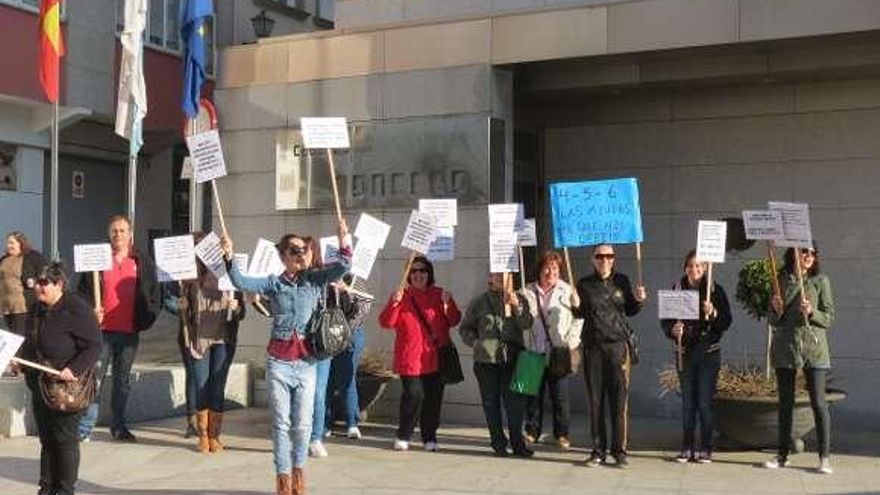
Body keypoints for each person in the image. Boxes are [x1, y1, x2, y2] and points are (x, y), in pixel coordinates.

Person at [221, 221, 350, 495]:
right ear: (283, 257)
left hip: (307, 362)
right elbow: (241, 281)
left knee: (302, 425)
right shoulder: (274, 283)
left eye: (303, 249)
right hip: (278, 361)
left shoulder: (314, 279)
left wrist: (344, 241)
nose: (301, 253)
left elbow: (342, 268)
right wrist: (229, 256)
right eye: (293, 250)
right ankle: (283, 480)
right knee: (281, 423)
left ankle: (299, 474)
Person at [77, 214, 161, 443]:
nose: (118, 235)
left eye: (122, 230)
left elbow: (154, 293)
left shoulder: (141, 260)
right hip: (101, 332)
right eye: (114, 231)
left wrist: (147, 319)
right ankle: (85, 428)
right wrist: (90, 311)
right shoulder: (97, 259)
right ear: (109, 234)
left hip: (129, 332)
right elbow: (82, 293)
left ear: (130, 234)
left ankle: (119, 426)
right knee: (95, 380)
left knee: (122, 383)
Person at [22, 262, 101, 495]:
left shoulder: (76, 308)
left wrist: (73, 369)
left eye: (44, 282)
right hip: (41, 385)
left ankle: (65, 490)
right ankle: (46, 488)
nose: (38, 287)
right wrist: (20, 359)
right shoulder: (36, 309)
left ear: (59, 284)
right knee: (47, 440)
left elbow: (94, 346)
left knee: (65, 441)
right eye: (37, 282)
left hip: (67, 388)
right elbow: (30, 341)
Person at [165, 232, 245, 453]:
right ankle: (201, 434)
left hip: (223, 340)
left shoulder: (231, 276)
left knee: (217, 387)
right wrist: (178, 305)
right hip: (198, 339)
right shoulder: (190, 279)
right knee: (201, 386)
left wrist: (235, 307)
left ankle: (215, 435)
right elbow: (172, 304)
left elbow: (241, 313)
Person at [378, 255, 461, 452]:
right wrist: (394, 303)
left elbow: (454, 320)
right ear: (408, 275)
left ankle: (429, 437)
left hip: (435, 358)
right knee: (413, 396)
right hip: (410, 358)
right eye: (413, 271)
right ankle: (404, 434)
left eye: (422, 270)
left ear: (429, 273)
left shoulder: (440, 294)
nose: (418, 274)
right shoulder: (401, 295)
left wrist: (447, 305)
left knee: (433, 399)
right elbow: (386, 322)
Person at [764, 245, 835, 474]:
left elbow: (830, 317)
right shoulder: (781, 279)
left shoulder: (820, 281)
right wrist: (776, 309)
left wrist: (813, 312)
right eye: (805, 251)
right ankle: (782, 455)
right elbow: (773, 319)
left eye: (813, 253)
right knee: (785, 404)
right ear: (794, 253)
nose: (809, 257)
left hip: (814, 347)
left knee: (819, 403)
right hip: (786, 347)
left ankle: (824, 458)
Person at [575, 244, 646, 468]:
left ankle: (619, 451)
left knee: (619, 402)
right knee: (595, 401)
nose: (605, 260)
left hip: (617, 348)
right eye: (600, 256)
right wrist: (574, 305)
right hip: (593, 348)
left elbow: (632, 310)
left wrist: (639, 299)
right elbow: (580, 313)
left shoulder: (622, 281)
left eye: (609, 256)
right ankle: (597, 451)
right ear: (593, 259)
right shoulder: (584, 284)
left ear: (614, 259)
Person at [660, 250, 732, 464]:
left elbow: (726, 322)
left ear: (705, 269)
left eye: (699, 266)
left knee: (704, 402)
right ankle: (687, 446)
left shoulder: (715, 290)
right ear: (686, 268)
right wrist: (673, 329)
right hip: (685, 354)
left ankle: (706, 448)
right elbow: (666, 320)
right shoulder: (676, 289)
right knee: (688, 403)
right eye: (691, 266)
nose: (695, 270)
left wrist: (714, 312)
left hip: (708, 354)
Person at [458, 272, 534, 457]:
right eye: (496, 274)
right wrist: (475, 342)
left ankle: (518, 443)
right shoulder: (479, 301)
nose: (500, 278)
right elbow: (465, 328)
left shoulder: (520, 298)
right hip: (487, 360)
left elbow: (526, 324)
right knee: (491, 403)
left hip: (513, 358)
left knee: (515, 405)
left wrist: (516, 305)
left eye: (504, 274)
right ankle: (498, 442)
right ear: (489, 278)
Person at [521, 250, 582, 450]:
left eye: (555, 268)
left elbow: (578, 320)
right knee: (532, 396)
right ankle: (531, 431)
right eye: (547, 267)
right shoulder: (525, 291)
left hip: (558, 352)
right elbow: (519, 321)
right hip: (532, 350)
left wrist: (570, 342)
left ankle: (561, 434)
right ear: (539, 269)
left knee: (560, 397)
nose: (551, 272)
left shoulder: (568, 291)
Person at [312, 274, 373, 456]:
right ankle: (324, 423)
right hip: (326, 332)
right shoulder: (323, 278)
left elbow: (363, 307)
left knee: (347, 378)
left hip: (350, 334)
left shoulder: (355, 278)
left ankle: (352, 422)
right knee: (326, 381)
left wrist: (346, 291)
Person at [0, 231, 47, 375]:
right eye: (8, 243)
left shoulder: (32, 257)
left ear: (21, 243)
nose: (9, 246)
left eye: (12, 242)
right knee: (7, 338)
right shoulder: (4, 259)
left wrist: (34, 280)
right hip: (5, 306)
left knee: (19, 337)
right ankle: (13, 366)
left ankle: (20, 368)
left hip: (22, 305)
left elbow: (44, 272)